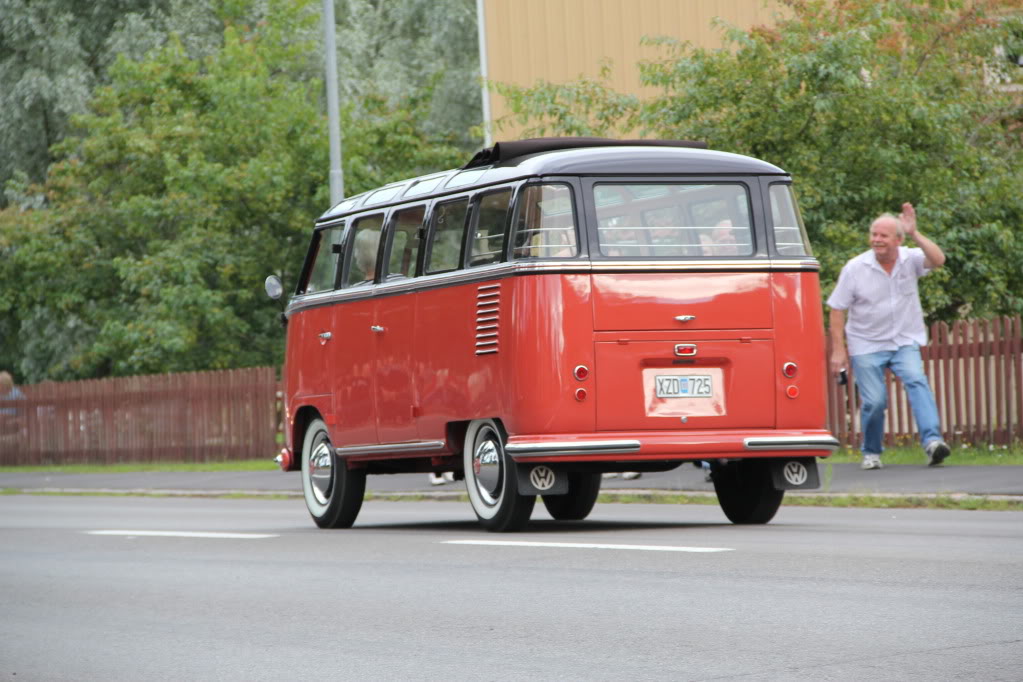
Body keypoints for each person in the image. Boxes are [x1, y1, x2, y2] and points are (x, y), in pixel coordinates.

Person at [827, 202, 951, 470]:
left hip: (904, 340)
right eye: (874, 234)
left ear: (898, 239)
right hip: (866, 344)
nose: (877, 240)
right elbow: (836, 309)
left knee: (917, 381)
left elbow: (939, 260)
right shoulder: (855, 268)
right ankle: (871, 452)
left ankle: (933, 443)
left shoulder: (910, 258)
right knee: (874, 401)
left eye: (883, 235)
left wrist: (916, 233)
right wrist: (839, 350)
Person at [0, 371, 26, 438]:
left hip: (13, 424)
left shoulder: (17, 394)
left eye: (1, 384)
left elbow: (23, 415)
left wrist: (14, 420)